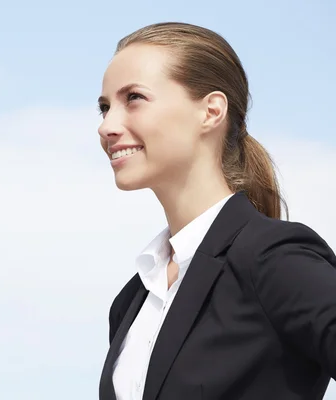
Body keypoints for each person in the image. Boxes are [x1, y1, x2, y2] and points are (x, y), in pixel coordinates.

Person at [96, 22, 336, 400]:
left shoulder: (272, 258)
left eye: (134, 98)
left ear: (210, 111)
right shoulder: (132, 301)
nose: (107, 126)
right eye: (105, 107)